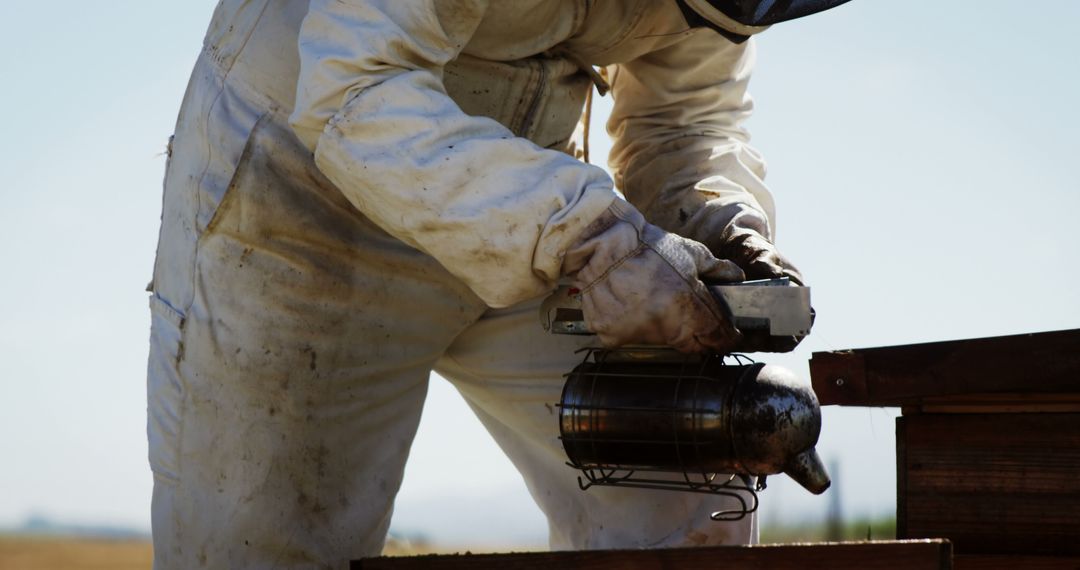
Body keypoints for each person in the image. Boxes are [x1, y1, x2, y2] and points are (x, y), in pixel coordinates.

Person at [146, 1, 848, 567]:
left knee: (685, 491)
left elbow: (682, 118)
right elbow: (352, 90)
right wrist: (589, 239)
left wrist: (725, 224)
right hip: (309, 206)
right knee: (263, 547)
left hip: (534, 193)